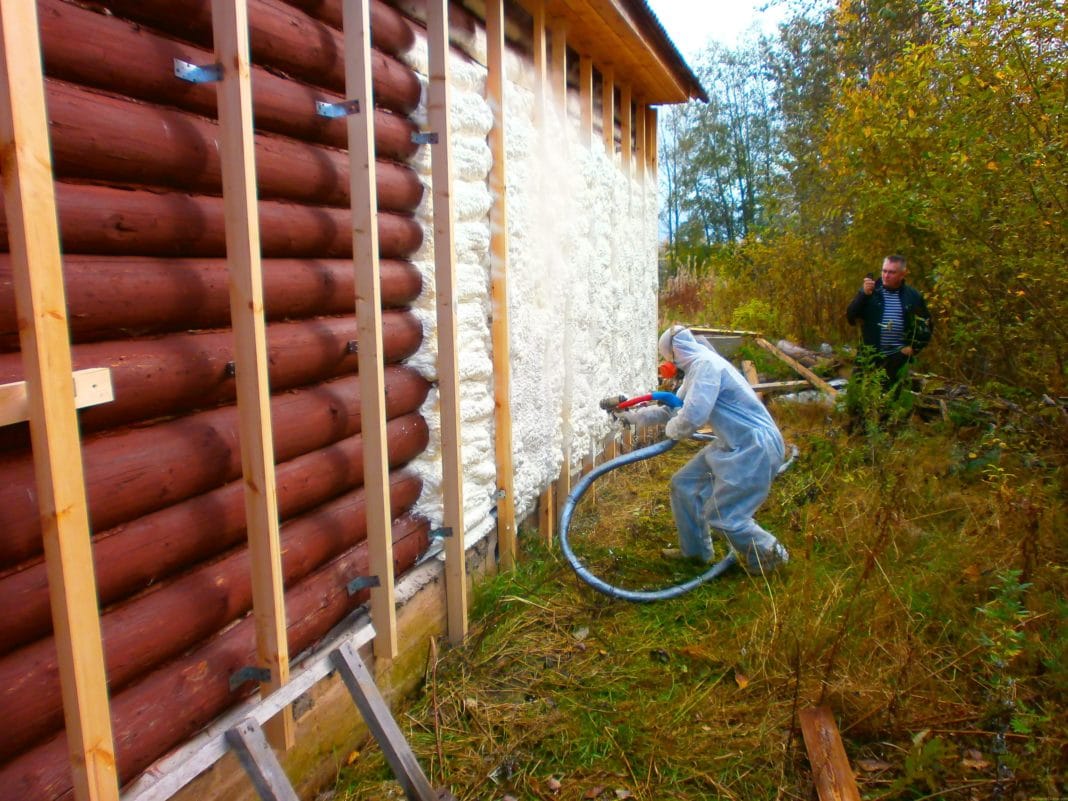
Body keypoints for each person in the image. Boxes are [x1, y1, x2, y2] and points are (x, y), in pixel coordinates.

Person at [619, 326, 789, 576]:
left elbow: (691, 417)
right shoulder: (696, 370)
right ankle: (696, 553)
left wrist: (671, 431)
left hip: (754, 447)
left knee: (725, 516)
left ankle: (774, 559)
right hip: (732, 444)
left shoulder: (707, 367)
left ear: (675, 352)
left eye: (668, 358)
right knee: (684, 486)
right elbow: (675, 409)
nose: (669, 364)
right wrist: (634, 417)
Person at [845, 255, 933, 393]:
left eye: (892, 272)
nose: (886, 275)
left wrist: (913, 348)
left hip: (897, 359)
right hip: (869, 356)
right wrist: (863, 295)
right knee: (858, 401)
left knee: (890, 401)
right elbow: (851, 317)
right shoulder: (871, 292)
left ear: (903, 274)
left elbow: (926, 326)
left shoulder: (913, 296)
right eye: (884, 271)